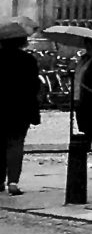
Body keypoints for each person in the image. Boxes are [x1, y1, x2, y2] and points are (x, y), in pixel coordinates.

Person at [0, 24, 42, 195]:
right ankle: (13, 182)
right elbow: (34, 86)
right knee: (16, 144)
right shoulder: (28, 60)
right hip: (20, 108)